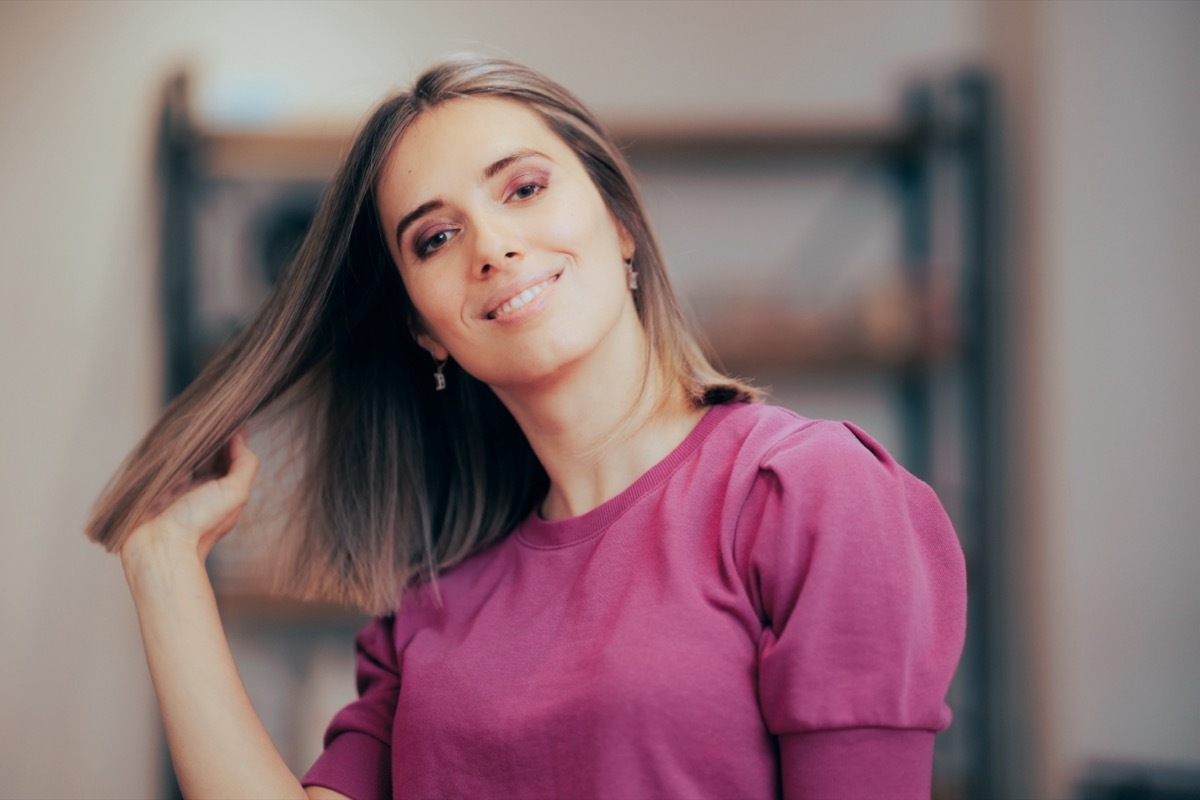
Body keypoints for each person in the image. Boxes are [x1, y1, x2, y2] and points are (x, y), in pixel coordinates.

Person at [87, 55, 966, 800]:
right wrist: (164, 567)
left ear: (620, 223)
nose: (492, 246)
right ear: (424, 327)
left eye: (524, 188)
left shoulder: (807, 492)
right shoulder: (431, 599)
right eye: (434, 238)